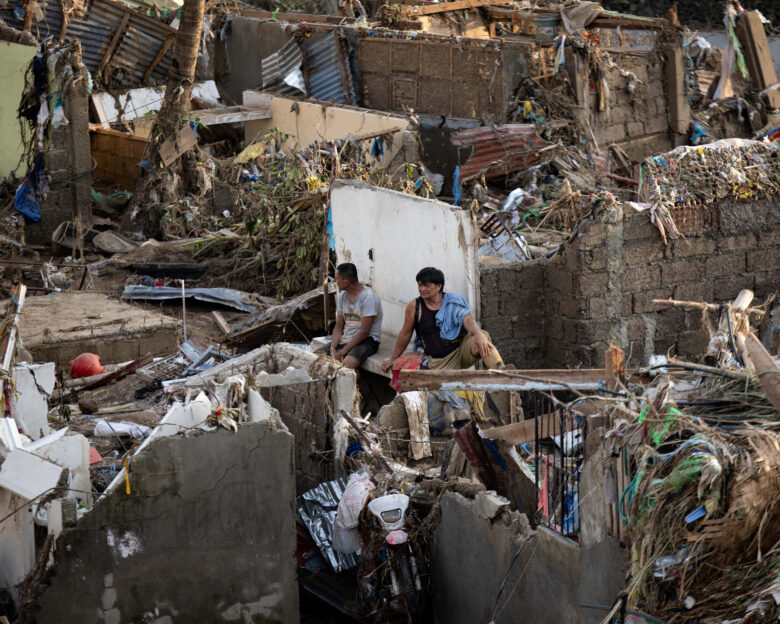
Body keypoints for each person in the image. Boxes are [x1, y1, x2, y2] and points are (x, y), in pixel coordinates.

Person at [381, 267, 503, 372]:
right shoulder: (414, 307)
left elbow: (468, 319)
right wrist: (393, 358)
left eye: (427, 285)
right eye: (420, 285)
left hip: (460, 352)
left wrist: (478, 333)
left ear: (439, 286)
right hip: (438, 362)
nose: (422, 289)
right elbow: (405, 334)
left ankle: (501, 371)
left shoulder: (452, 301)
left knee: (482, 337)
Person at [329, 262, 383, 369]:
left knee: (346, 365)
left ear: (345, 282)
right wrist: (333, 348)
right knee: (318, 357)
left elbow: (364, 332)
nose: (336, 281)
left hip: (368, 340)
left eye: (337, 278)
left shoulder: (369, 297)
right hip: (347, 338)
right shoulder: (341, 297)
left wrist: (342, 352)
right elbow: (339, 326)